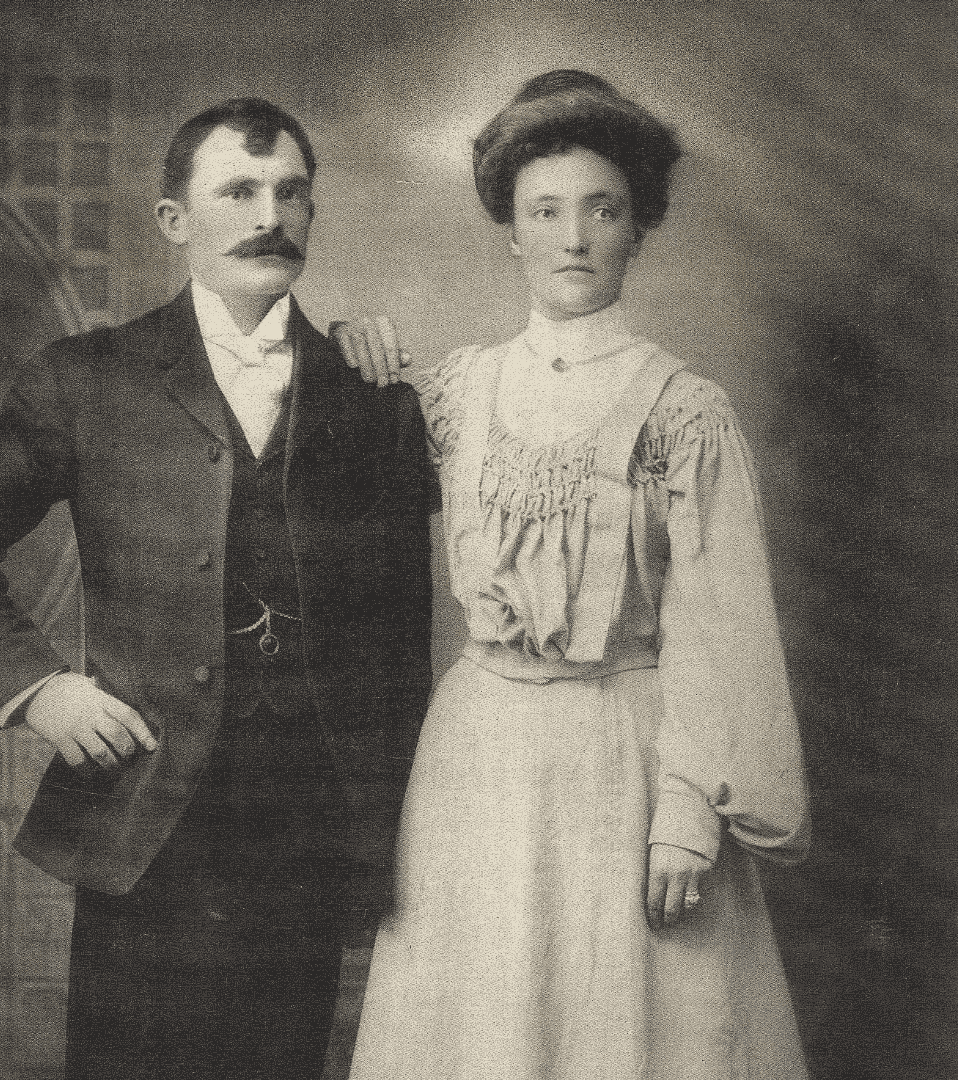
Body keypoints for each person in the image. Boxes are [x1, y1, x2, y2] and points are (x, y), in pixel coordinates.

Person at [0, 97, 435, 1080]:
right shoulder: (89, 379)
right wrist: (42, 691)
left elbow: (402, 641)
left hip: (306, 832)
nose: (269, 215)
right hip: (144, 819)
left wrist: (389, 831)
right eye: (238, 191)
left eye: (291, 192)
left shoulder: (371, 393)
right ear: (174, 220)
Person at [338, 70, 811, 1079]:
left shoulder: (683, 408)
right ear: (510, 230)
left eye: (603, 209)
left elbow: (717, 623)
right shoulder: (458, 393)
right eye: (545, 211)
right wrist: (341, 356)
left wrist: (687, 816)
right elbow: (328, 490)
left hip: (625, 758)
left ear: (638, 228)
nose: (574, 238)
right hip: (479, 759)